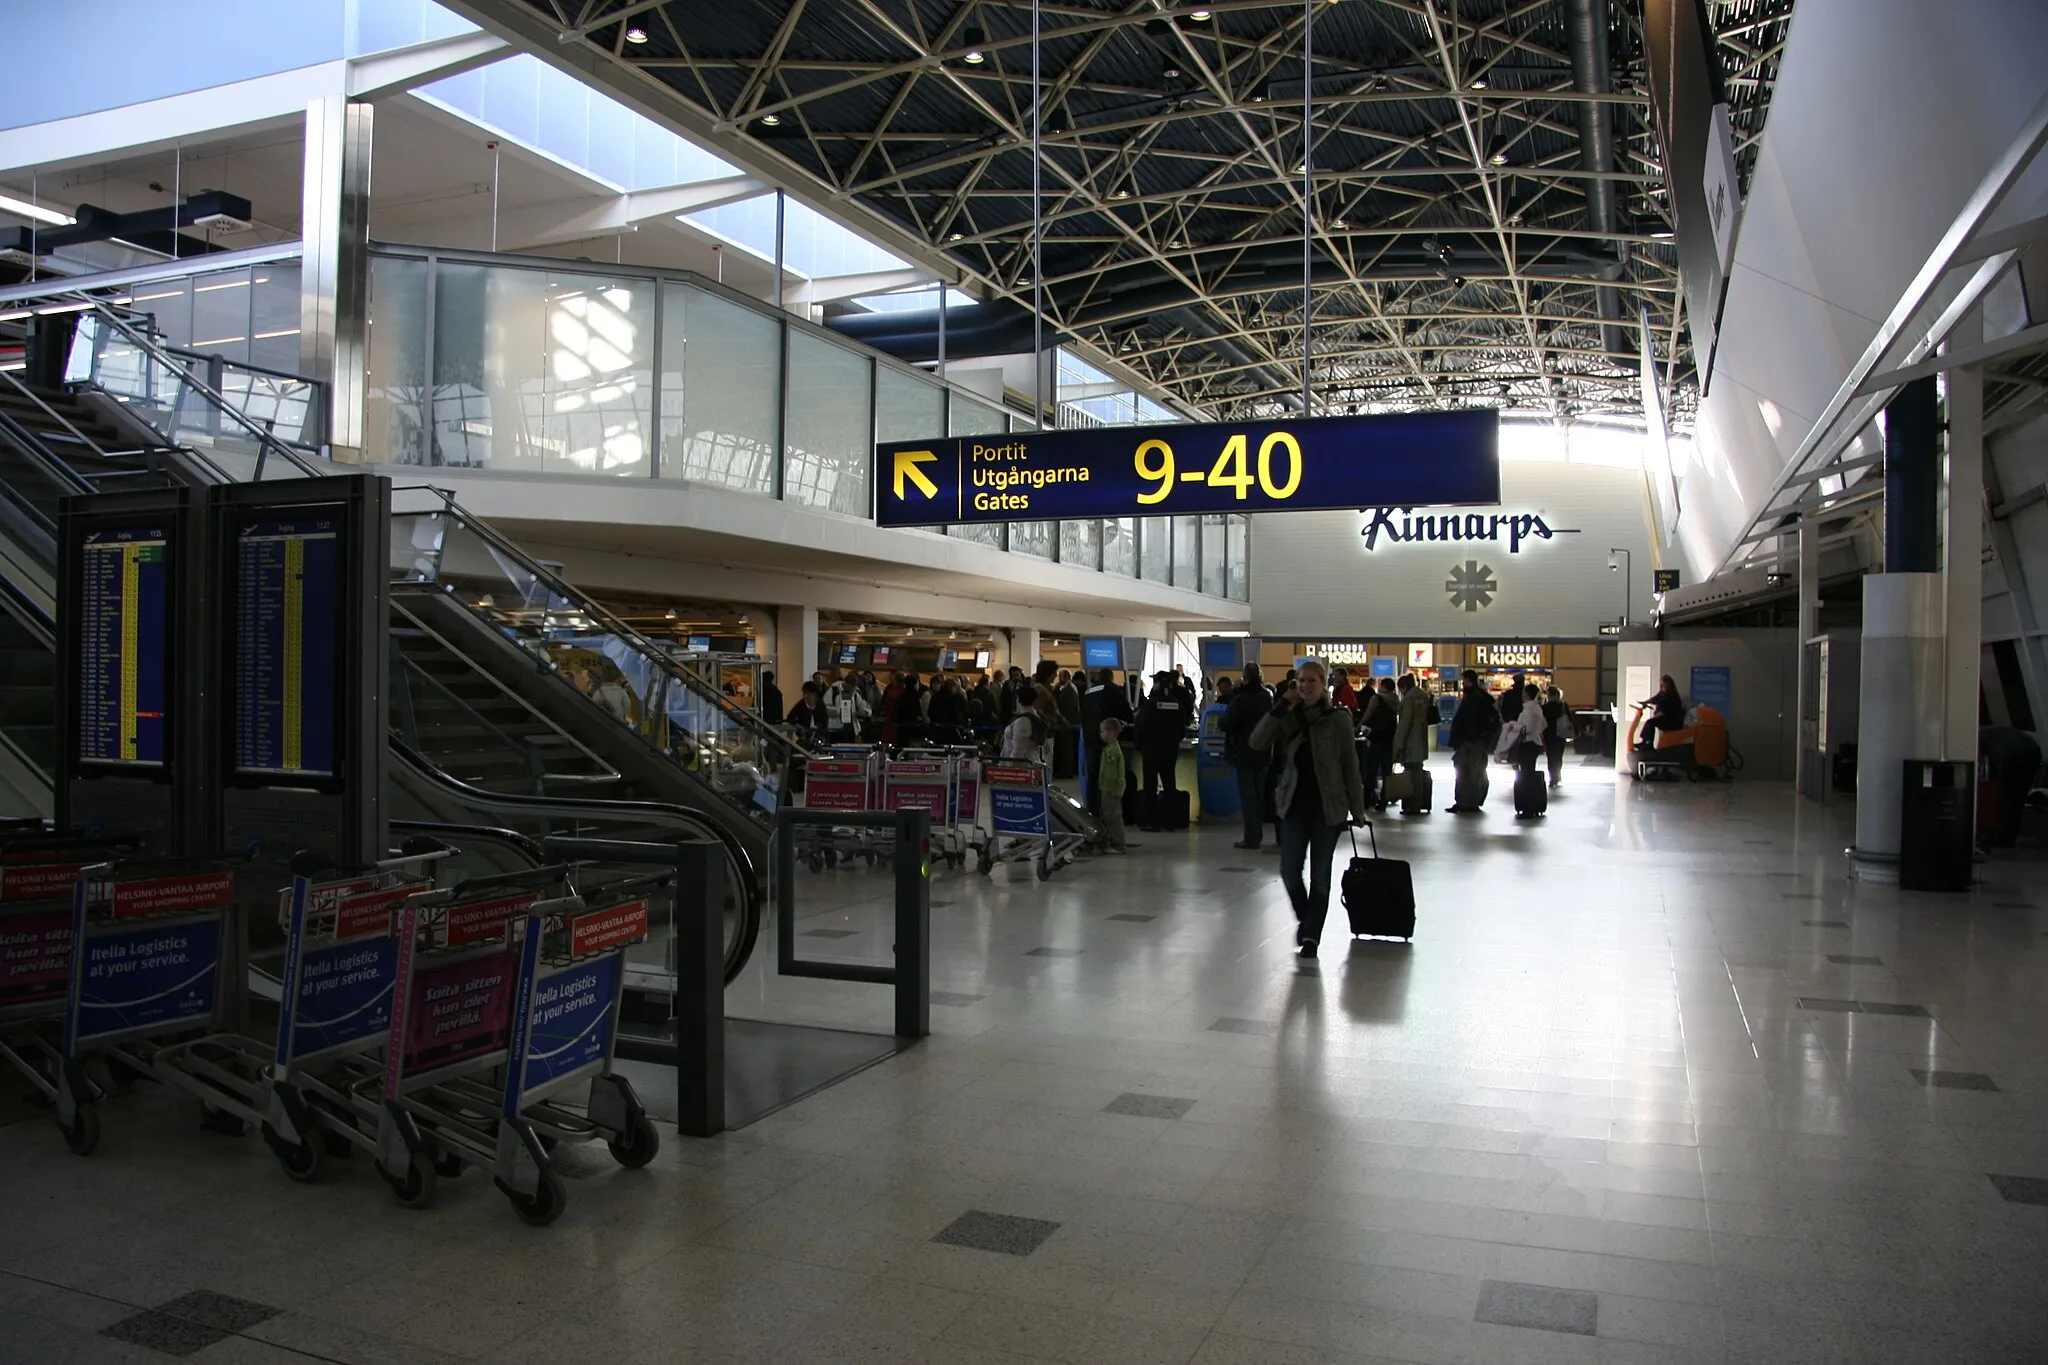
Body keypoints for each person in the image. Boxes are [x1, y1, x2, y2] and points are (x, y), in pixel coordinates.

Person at [1250, 659, 1366, 959]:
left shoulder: (1337, 718)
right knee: (1289, 870)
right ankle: (1306, 917)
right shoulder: (1288, 716)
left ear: (1323, 683)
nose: (1305, 686)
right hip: (1293, 804)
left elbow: (1350, 766)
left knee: (1320, 874)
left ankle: (1312, 935)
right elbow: (1257, 741)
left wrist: (1358, 808)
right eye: (1300, 680)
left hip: (1329, 806)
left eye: (1311, 681)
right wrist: (1279, 707)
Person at [1222, 662, 1272, 849]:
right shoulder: (1267, 696)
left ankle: (1251, 837)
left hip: (1243, 751)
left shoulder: (1240, 699)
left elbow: (1227, 723)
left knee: (1248, 796)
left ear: (1245, 677)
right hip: (1263, 751)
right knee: (1258, 795)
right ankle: (1256, 834)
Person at [1134, 670, 1189, 828]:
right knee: (1169, 784)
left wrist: (1140, 745)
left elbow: (1141, 727)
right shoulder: (1177, 705)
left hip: (1151, 750)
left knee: (1150, 785)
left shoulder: (1150, 705)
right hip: (1170, 751)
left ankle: (1151, 821)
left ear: (1158, 684)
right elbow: (1181, 729)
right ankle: (1170, 820)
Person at [1081, 667, 1136, 816]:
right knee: (1109, 778)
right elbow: (1126, 713)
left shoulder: (1088, 692)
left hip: (1090, 739)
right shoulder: (1112, 690)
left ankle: (1092, 812)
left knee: (1093, 778)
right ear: (1111, 678)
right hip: (1107, 738)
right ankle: (1109, 813)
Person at [1446, 669, 1499, 814]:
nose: (1462, 683)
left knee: (1466, 772)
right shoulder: (1481, 697)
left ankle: (1466, 802)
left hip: (1470, 742)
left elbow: (1470, 720)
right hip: (1475, 741)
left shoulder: (1474, 698)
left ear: (1469, 680)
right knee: (1473, 772)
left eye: (1463, 680)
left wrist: (1470, 738)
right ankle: (1469, 801)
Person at [1509, 682, 1548, 817]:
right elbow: (1543, 725)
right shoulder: (1537, 708)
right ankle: (1531, 805)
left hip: (1528, 743)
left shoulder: (1529, 709)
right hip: (1534, 742)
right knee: (1528, 773)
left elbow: (1527, 728)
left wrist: (1515, 728)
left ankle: (1528, 807)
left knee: (1525, 774)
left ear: (1526, 694)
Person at [1360, 676, 1399, 810]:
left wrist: (1359, 725)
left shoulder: (1377, 698)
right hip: (1390, 738)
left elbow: (1368, 714)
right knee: (1386, 771)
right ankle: (1384, 801)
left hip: (1376, 737)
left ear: (1382, 686)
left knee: (1371, 769)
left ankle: (1366, 800)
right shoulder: (1396, 700)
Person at [1095, 717, 1130, 853]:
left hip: (1111, 789)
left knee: (1113, 816)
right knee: (1108, 815)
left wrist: (1106, 787)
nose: (1101, 734)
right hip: (1110, 788)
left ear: (1111, 732)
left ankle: (1118, 844)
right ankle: (1109, 841)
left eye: (1102, 731)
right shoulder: (1111, 749)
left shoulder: (1111, 752)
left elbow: (1110, 773)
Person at [1391, 674, 1431, 791]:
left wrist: (1398, 744)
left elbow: (1406, 722)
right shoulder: (1423, 696)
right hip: (1421, 737)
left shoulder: (1409, 698)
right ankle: (1417, 802)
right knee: (1418, 770)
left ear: (1403, 687)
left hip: (1410, 739)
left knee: (1410, 773)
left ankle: (1412, 803)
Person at [1000, 683, 1051, 763]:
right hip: (1031, 761)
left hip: (1021, 768)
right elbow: (1046, 748)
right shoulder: (1036, 717)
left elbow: (1018, 751)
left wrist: (1009, 767)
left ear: (1018, 700)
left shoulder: (1023, 721)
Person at [1637, 675, 1685, 750]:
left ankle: (1648, 744)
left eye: (1663, 684)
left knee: (1650, 722)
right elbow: (1654, 699)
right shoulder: (1663, 693)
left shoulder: (1672, 696)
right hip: (1665, 718)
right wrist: (1645, 702)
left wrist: (1656, 717)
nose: (1661, 686)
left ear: (1668, 684)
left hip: (1670, 721)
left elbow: (1665, 711)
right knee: (1650, 722)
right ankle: (1645, 742)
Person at [1541, 684, 1571, 790]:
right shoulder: (1563, 705)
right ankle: (1557, 776)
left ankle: (1552, 778)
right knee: (1558, 756)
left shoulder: (1545, 707)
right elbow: (1570, 718)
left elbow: (1542, 721)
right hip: (1561, 733)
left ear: (1549, 694)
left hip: (1549, 734)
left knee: (1551, 756)